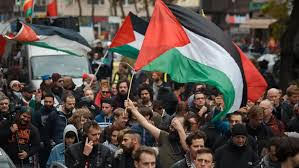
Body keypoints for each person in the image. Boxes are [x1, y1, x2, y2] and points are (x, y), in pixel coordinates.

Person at [125, 99, 187, 168]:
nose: (172, 129)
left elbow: (187, 148)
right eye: (171, 126)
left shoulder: (192, 143)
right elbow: (144, 123)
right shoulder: (165, 137)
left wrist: (180, 129)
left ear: (185, 128)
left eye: (176, 126)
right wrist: (133, 109)